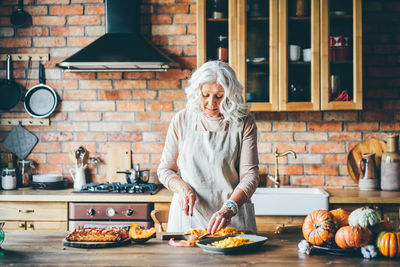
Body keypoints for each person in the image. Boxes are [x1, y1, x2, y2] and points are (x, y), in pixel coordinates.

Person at [157, 60, 259, 234]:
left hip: (231, 218)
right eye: (205, 95)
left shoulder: (244, 122)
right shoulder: (182, 120)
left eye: (219, 97)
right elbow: (165, 170)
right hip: (188, 219)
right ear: (198, 92)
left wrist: (229, 208)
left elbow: (250, 175)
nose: (211, 103)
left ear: (230, 95)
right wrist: (183, 188)